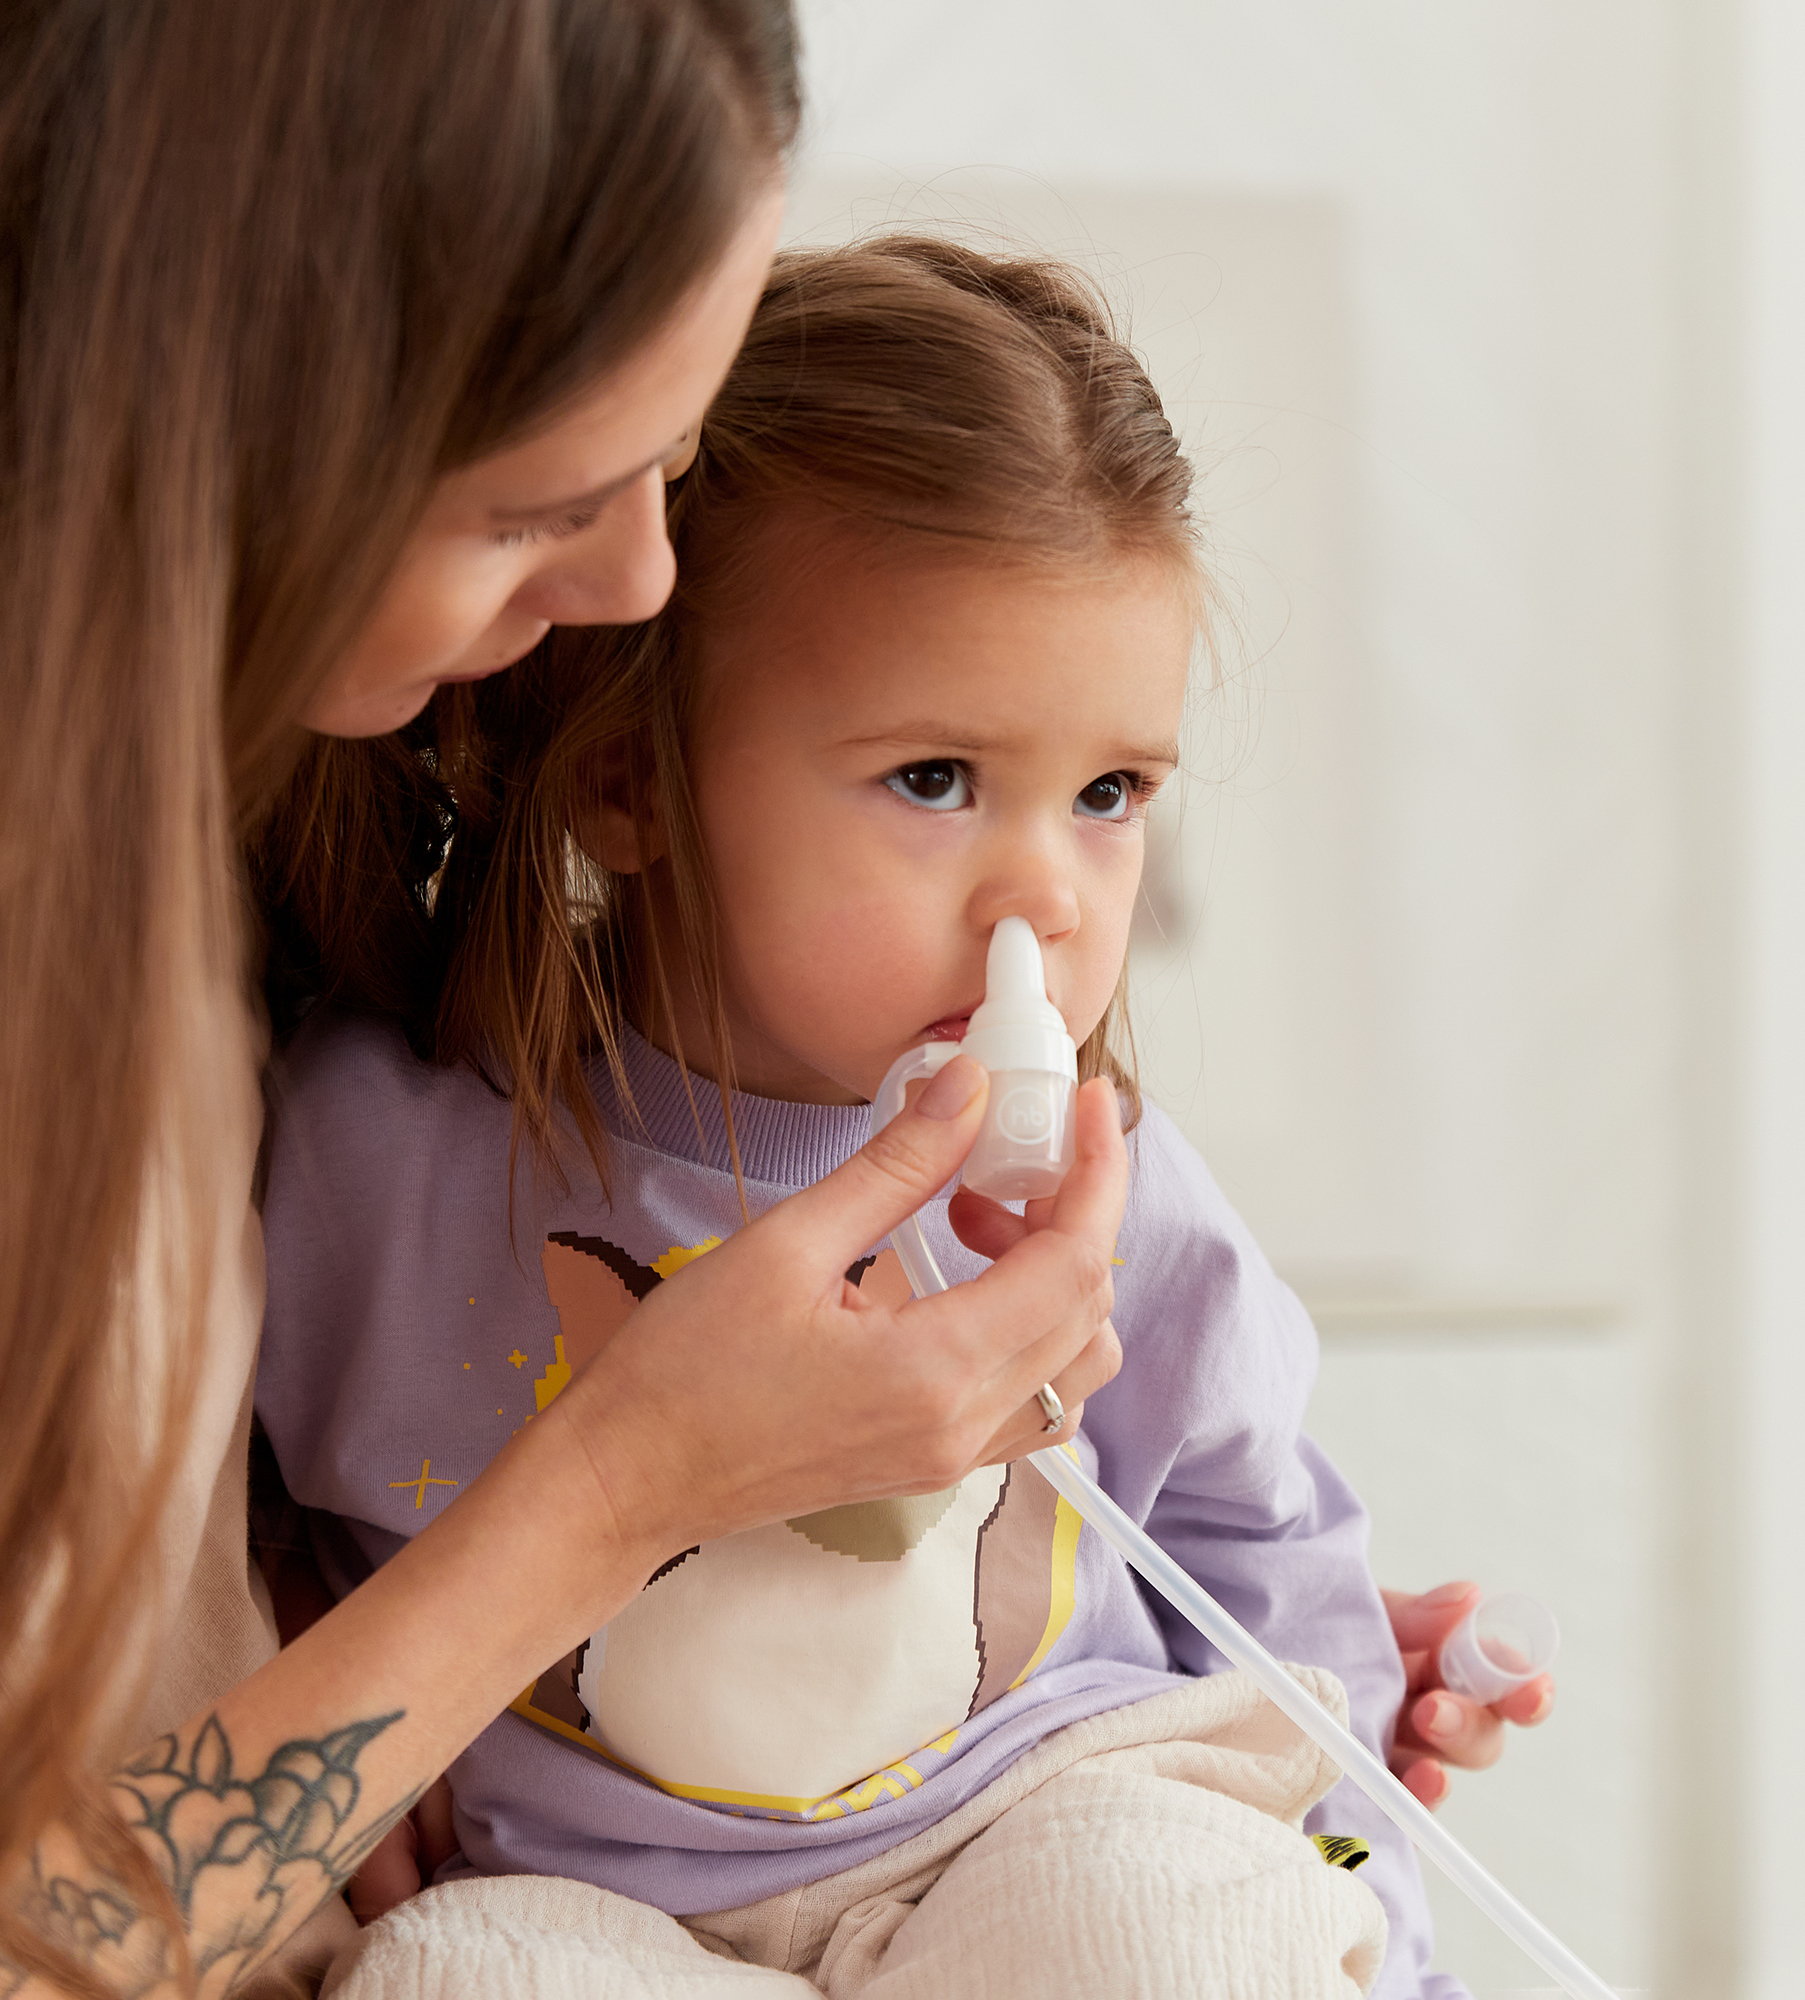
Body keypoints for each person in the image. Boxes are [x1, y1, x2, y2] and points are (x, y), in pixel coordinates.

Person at [253, 237, 1525, 2000]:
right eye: (935, 780)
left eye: (1107, 795)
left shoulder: (1112, 1199)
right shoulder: (371, 1164)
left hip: (1042, 1820)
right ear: (629, 778)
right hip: (591, 1896)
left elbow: (1271, 1556)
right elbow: (236, 1505)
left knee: (1180, 1924)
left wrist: (1373, 1912)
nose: (1047, 897)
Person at [0, 9, 1128, 1994]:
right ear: (246, 418)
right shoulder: (328, 1115)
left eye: (670, 474)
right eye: (537, 505)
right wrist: (615, 1490)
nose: (635, 585)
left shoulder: (258, 867)